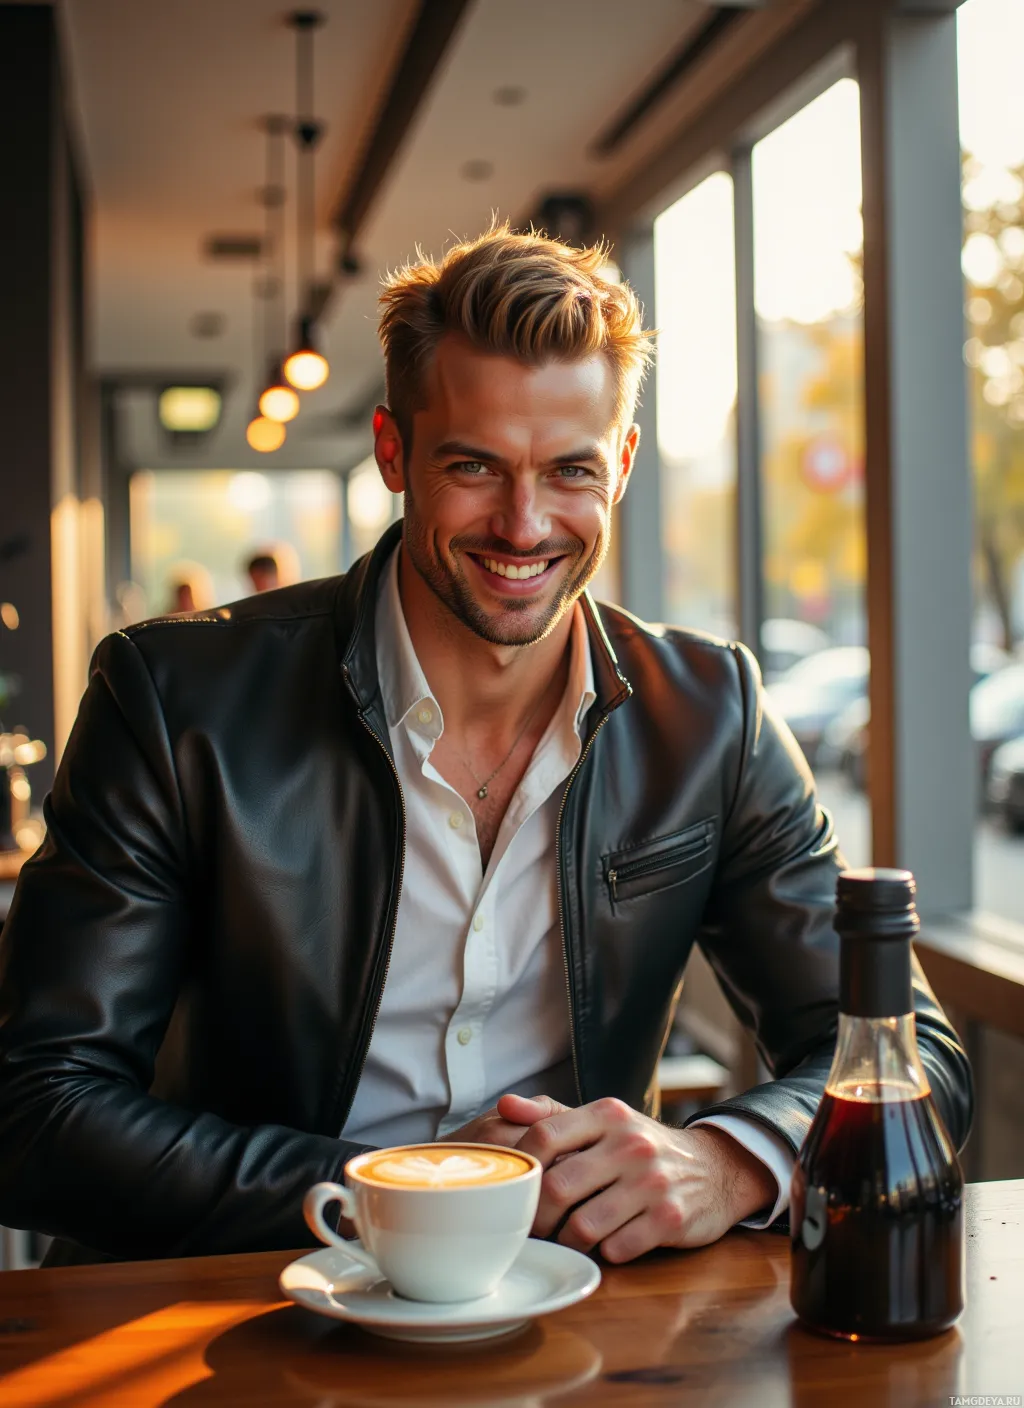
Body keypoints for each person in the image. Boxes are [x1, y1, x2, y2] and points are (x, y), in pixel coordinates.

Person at [0, 227, 971, 1265]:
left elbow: (909, 1055)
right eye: (473, 466)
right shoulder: (174, 699)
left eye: (569, 471)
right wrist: (396, 1194)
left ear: (624, 465)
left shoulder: (711, 715)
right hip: (241, 1303)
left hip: (578, 1318)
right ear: (393, 452)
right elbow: (35, 1109)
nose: (523, 523)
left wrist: (729, 1161)